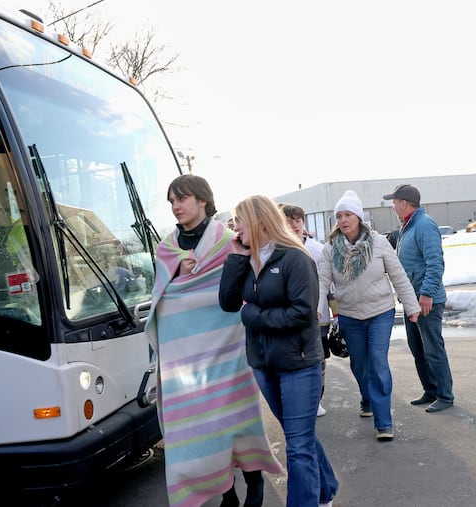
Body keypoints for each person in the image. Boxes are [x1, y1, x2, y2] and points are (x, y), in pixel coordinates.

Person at [145, 176, 282, 507]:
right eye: (172, 201)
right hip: (186, 358)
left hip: (228, 350)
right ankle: (227, 494)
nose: (177, 206)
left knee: (237, 420)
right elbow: (160, 295)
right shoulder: (167, 247)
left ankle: (254, 479)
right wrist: (178, 266)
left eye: (183, 199)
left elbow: (245, 282)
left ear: (203, 200)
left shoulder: (226, 239)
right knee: (203, 430)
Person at [219, 195, 338, 507]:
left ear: (259, 221)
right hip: (263, 362)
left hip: (298, 364)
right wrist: (235, 257)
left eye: (239, 220)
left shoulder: (295, 258)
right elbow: (228, 303)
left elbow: (302, 313)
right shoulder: (247, 258)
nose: (235, 227)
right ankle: (326, 488)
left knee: (297, 445)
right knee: (300, 436)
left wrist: (254, 316)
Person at [317, 190, 421, 441]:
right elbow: (321, 282)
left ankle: (384, 422)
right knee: (360, 363)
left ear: (358, 217)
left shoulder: (379, 242)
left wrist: (412, 306)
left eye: (348, 214)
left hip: (380, 312)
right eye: (339, 215)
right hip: (350, 315)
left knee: (377, 361)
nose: (343, 220)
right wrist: (316, 312)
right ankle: (367, 397)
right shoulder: (331, 249)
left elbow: (398, 276)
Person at [382, 184, 454, 413]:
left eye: (394, 203)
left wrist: (426, 294)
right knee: (418, 348)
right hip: (412, 300)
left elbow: (435, 263)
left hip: (425, 300)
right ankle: (430, 390)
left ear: (404, 203)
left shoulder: (424, 225)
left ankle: (445, 395)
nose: (393, 207)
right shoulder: (408, 226)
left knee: (432, 348)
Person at [280, 204, 331, 418]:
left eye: (297, 220)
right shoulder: (278, 249)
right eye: (289, 221)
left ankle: (316, 399)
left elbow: (330, 285)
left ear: (304, 222)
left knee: (317, 358)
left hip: (318, 316)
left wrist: (335, 315)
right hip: (289, 316)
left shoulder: (317, 249)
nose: (294, 225)